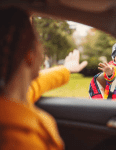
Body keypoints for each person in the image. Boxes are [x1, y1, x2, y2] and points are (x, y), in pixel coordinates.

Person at [0, 7, 87, 149]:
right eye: (38, 41)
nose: (43, 49)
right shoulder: (21, 142)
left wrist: (66, 69)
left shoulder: (11, 96)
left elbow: (38, 83)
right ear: (30, 55)